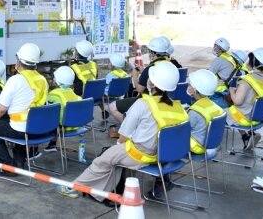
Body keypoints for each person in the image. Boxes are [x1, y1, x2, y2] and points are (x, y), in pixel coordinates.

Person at [59, 61, 188, 200]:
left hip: (141, 154)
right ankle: (100, 193)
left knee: (102, 160)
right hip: (164, 154)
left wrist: (117, 147)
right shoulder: (178, 106)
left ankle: (72, 187)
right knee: (112, 158)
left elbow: (123, 136)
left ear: (152, 84)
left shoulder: (143, 104)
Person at [0, 42, 48, 176]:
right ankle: (19, 161)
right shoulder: (42, 79)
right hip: (41, 127)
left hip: (23, 129)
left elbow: (2, 109)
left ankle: (9, 167)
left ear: (19, 61)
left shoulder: (15, 80)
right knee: (8, 125)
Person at [108, 36, 170, 124]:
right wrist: (143, 71)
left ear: (153, 53)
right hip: (166, 99)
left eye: (149, 51)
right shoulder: (170, 64)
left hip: (147, 101)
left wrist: (135, 76)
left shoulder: (151, 68)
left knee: (112, 107)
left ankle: (130, 128)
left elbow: (139, 89)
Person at [227, 47, 263, 150]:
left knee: (222, 114)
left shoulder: (247, 81)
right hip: (259, 116)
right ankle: (250, 134)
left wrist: (232, 91)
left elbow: (237, 101)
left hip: (244, 117)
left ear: (255, 62)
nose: (248, 61)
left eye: (250, 59)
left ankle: (245, 137)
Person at [186, 69, 224, 155]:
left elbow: (183, 129)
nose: (188, 86)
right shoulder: (215, 106)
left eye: (189, 85)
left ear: (195, 90)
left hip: (197, 147)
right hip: (211, 145)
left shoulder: (195, 111)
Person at [43, 66, 80, 152]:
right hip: (75, 125)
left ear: (57, 80)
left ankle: (33, 151)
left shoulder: (54, 95)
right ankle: (52, 145)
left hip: (61, 127)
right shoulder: (74, 94)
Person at [105, 54, 130, 139]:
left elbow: (105, 86)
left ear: (112, 64)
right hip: (122, 96)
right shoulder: (125, 74)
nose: (108, 63)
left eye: (109, 62)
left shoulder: (110, 75)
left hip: (109, 96)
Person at [208, 37, 235, 109]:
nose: (214, 47)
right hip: (226, 90)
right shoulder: (229, 58)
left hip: (217, 91)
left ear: (219, 48)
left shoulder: (219, 60)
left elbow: (209, 75)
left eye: (215, 46)